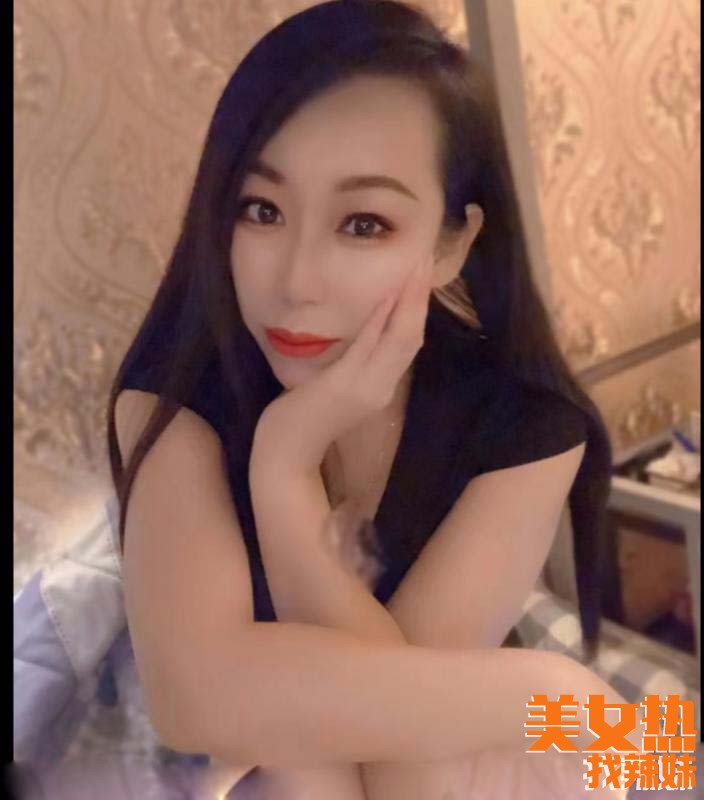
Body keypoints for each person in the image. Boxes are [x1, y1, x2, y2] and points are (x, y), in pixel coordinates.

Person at [107, 1, 638, 797]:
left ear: (451, 243)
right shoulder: (174, 396)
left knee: (656, 759)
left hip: (474, 768)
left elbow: (400, 768)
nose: (296, 283)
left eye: (363, 224)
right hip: (405, 746)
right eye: (262, 210)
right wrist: (549, 690)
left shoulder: (527, 422)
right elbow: (194, 701)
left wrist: (284, 478)